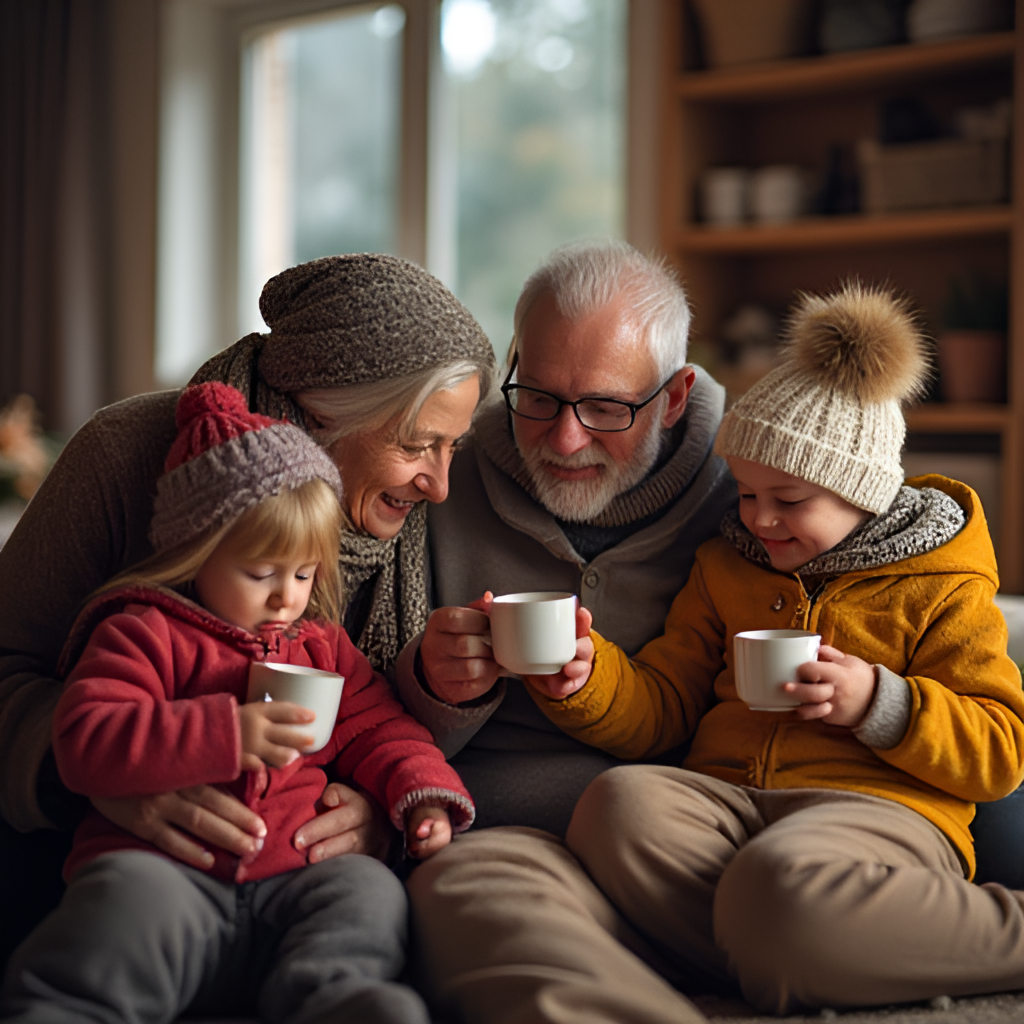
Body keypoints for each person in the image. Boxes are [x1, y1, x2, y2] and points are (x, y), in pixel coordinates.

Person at [525, 281, 1024, 1013]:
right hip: (727, 806)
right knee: (616, 804)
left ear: (861, 493)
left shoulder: (940, 584)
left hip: (877, 820)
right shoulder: (726, 566)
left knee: (776, 883)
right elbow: (663, 705)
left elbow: (1001, 753)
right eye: (747, 492)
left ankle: (849, 937)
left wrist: (877, 704)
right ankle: (802, 952)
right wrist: (587, 678)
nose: (757, 518)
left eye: (788, 501)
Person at [0, 253, 494, 967]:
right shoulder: (126, 456)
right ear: (326, 412)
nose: (440, 483)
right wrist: (110, 780)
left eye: (453, 446)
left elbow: (370, 715)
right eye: (418, 445)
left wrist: (385, 811)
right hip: (122, 859)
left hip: (299, 872)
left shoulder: (411, 513)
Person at [398, 241, 737, 1024]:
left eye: (607, 409)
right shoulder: (440, 476)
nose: (564, 439)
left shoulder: (751, 494)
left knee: (782, 902)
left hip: (674, 836)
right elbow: (360, 705)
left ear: (677, 396)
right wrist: (431, 683)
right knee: (456, 894)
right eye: (540, 397)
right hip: (508, 839)